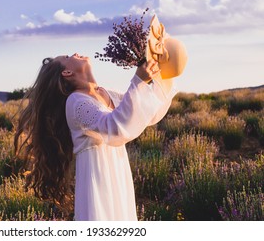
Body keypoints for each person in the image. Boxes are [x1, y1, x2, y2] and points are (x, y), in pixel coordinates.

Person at [14, 53, 177, 221]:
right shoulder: (76, 101)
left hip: (117, 171)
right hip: (98, 177)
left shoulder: (106, 93)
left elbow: (146, 112)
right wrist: (139, 82)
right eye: (69, 56)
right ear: (67, 72)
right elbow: (114, 127)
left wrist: (163, 76)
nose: (76, 53)